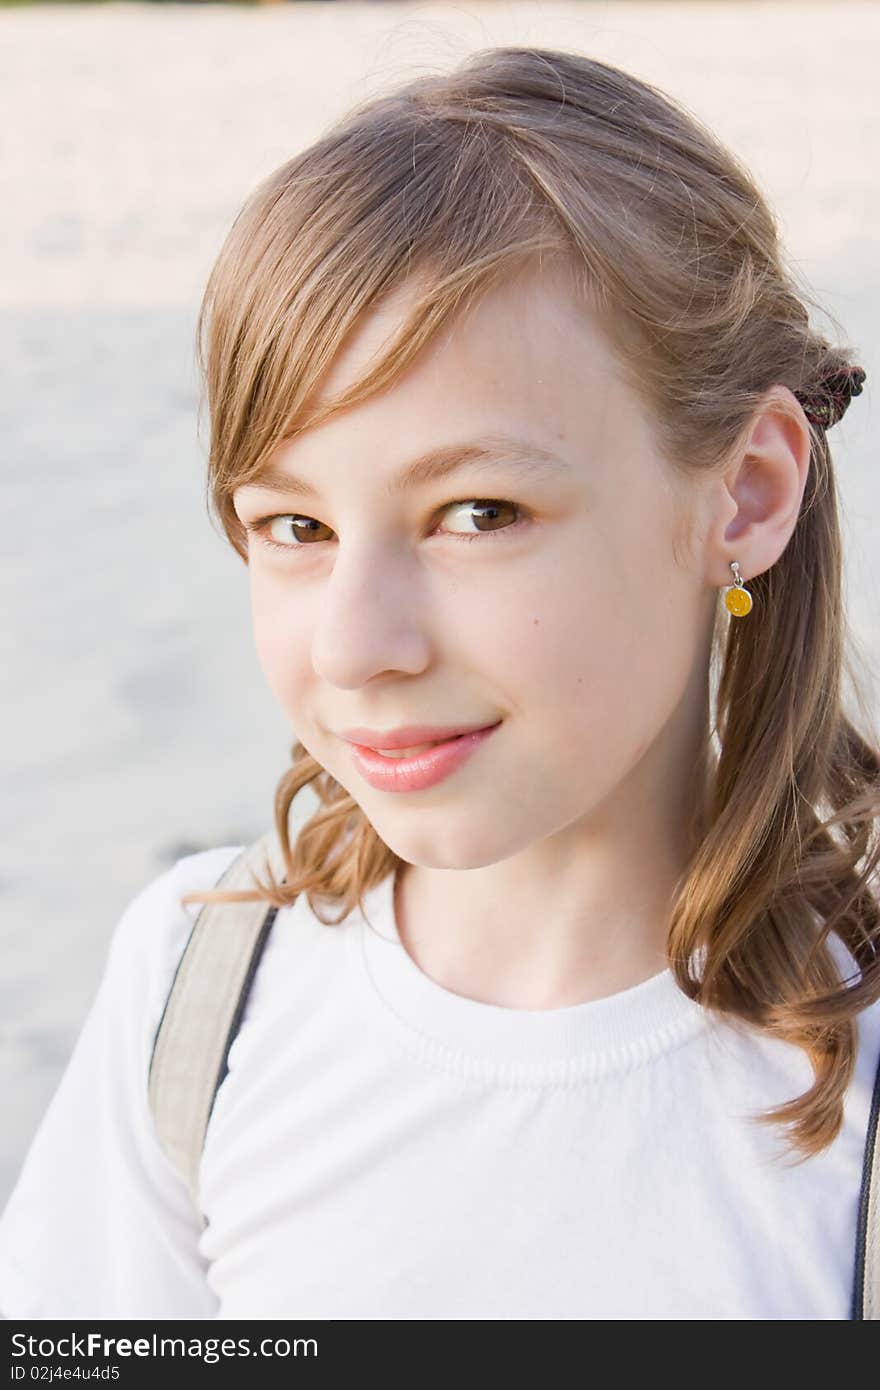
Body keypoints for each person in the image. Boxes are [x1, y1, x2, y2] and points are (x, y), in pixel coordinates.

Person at [0, 45, 877, 1322]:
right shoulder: (199, 989)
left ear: (744, 494)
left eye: (479, 511)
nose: (359, 647)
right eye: (293, 528)